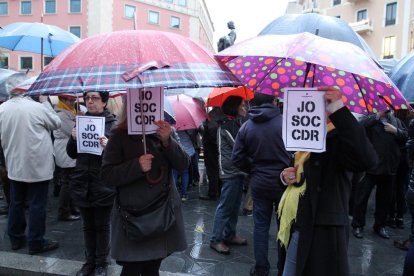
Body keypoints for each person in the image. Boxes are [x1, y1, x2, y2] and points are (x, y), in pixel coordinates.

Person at [277, 87, 378, 276]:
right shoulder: (305, 133)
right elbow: (297, 171)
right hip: (295, 219)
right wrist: (284, 176)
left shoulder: (340, 135)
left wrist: (339, 108)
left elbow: (368, 160)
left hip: (322, 226)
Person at [101, 98, 189, 276]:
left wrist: (167, 142)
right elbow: (107, 174)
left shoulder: (165, 130)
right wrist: (136, 166)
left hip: (162, 211)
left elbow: (183, 164)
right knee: (132, 268)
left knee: (153, 266)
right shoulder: (119, 134)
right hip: (133, 216)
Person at [232, 93, 291, 276]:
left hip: (259, 181)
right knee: (285, 226)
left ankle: (261, 269)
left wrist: (253, 170)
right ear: (274, 101)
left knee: (260, 226)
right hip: (285, 183)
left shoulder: (247, 126)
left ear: (252, 103)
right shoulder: (287, 123)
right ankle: (283, 268)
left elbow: (237, 158)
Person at [0, 88, 61, 255]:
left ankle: (16, 238)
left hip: (15, 164)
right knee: (37, 204)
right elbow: (56, 123)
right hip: (37, 165)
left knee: (16, 203)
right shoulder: (37, 107)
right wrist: (44, 102)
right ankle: (36, 242)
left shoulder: (3, 108)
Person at [66, 91, 117, 276]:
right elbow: (72, 153)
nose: (90, 101)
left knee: (102, 225)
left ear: (104, 102)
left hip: (103, 183)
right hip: (82, 182)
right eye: (87, 98)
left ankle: (102, 262)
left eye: (95, 98)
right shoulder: (81, 121)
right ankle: (89, 262)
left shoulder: (113, 125)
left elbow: (118, 157)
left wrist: (108, 146)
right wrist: (72, 139)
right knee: (87, 225)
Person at [352, 109, 407, 239]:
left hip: (389, 168)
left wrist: (396, 131)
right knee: (361, 198)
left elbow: (405, 137)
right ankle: (358, 225)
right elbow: (359, 127)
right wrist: (377, 116)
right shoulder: (371, 119)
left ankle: (380, 226)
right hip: (371, 167)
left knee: (384, 200)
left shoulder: (397, 121)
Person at [210, 96, 247, 255]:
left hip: (237, 170)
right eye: (242, 106)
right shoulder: (227, 125)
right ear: (235, 108)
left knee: (235, 205)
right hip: (230, 172)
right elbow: (240, 145)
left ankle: (230, 234)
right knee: (226, 206)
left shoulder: (235, 123)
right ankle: (216, 239)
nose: (245, 108)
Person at [54, 96, 80, 221]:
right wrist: (80, 120)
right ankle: (64, 211)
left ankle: (71, 208)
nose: (72, 102)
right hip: (65, 151)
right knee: (67, 182)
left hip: (66, 150)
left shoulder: (68, 112)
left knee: (70, 181)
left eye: (73, 100)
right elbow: (73, 131)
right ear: (62, 101)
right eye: (69, 100)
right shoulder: (62, 115)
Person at [199, 108, 224, 200]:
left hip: (211, 149)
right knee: (217, 170)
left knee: (212, 171)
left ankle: (213, 193)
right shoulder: (221, 114)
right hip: (215, 149)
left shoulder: (213, 116)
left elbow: (213, 135)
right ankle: (218, 191)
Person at [172, 129, 195, 201]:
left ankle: (174, 195)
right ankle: (184, 195)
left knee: (174, 173)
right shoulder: (188, 128)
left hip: (175, 153)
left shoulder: (172, 129)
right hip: (187, 152)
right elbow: (192, 136)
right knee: (185, 173)